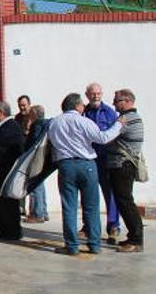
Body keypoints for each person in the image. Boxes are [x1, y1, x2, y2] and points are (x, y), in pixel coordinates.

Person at [48, 92, 122, 255]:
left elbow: (51, 144)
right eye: (82, 104)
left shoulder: (54, 123)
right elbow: (102, 138)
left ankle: (71, 245)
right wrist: (119, 125)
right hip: (87, 164)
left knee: (69, 206)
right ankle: (94, 244)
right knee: (91, 206)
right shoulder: (84, 121)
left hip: (66, 165)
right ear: (77, 106)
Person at [106, 89, 145, 253]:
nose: (114, 104)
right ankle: (133, 237)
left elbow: (107, 136)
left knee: (125, 202)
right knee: (124, 201)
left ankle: (136, 240)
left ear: (127, 101)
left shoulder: (126, 119)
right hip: (123, 165)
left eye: (117, 101)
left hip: (122, 165)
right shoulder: (132, 118)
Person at [83, 82, 122, 244]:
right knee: (87, 193)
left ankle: (113, 225)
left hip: (106, 158)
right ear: (87, 95)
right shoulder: (83, 113)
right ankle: (88, 227)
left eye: (98, 93)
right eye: (93, 93)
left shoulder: (110, 112)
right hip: (89, 158)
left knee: (110, 192)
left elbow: (117, 133)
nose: (96, 96)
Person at [0, 101, 25, 240]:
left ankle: (13, 231)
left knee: (7, 203)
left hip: (5, 171)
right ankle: (1, 229)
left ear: (1, 113)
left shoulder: (12, 127)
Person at [24, 106, 50, 223]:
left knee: (35, 186)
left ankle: (37, 213)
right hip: (43, 159)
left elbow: (33, 143)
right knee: (40, 184)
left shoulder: (37, 125)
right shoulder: (46, 124)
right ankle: (43, 211)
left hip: (35, 159)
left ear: (34, 114)